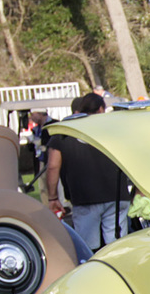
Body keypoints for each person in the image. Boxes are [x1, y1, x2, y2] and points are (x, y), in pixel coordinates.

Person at [45, 91, 131, 251]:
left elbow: (53, 166)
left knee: (88, 248)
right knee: (117, 247)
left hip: (85, 198)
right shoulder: (114, 129)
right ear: (100, 109)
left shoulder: (64, 132)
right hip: (116, 196)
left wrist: (53, 197)